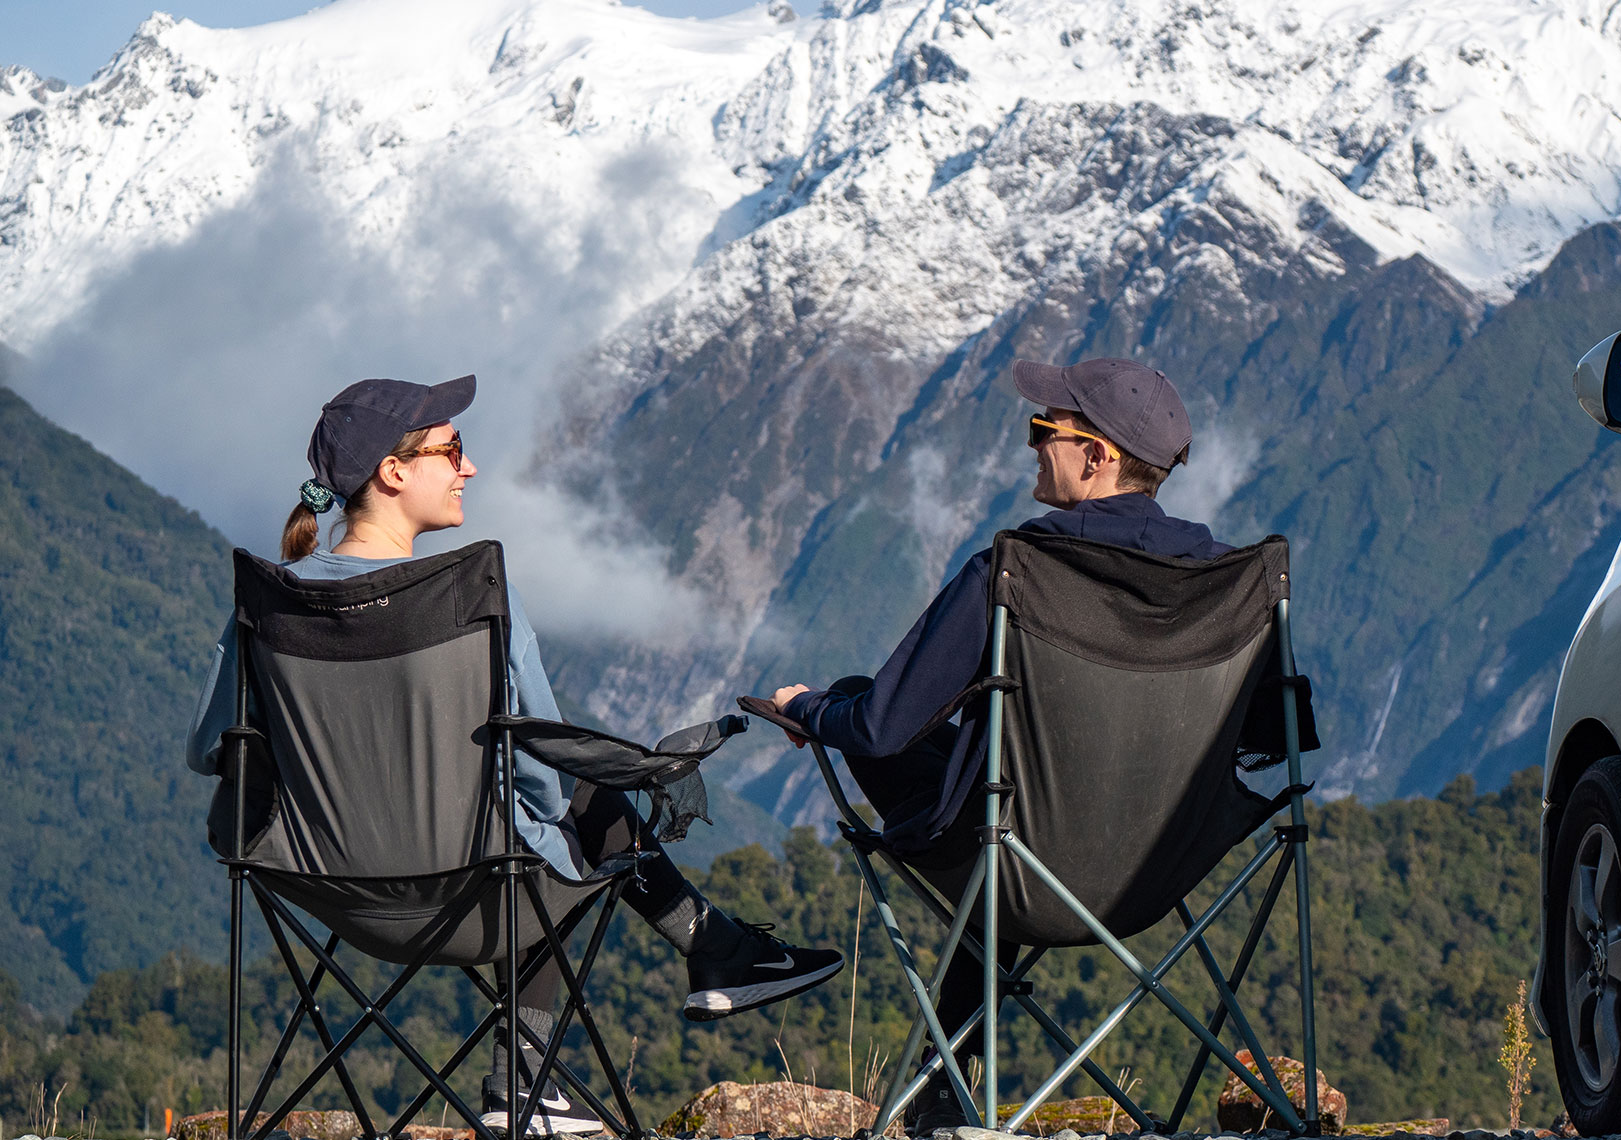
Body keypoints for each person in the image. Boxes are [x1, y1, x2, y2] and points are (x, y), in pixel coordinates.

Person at [186, 375, 842, 1136]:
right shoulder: (469, 590)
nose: (469, 467)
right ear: (393, 474)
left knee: (548, 829)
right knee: (583, 814)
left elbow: (211, 747)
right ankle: (555, 1060)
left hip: (331, 896)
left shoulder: (269, 601)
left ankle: (704, 967)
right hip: (479, 898)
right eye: (452, 449)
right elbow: (541, 767)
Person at [761, 356, 1225, 1134]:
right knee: (1001, 790)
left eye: (1045, 428)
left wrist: (810, 710)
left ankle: (949, 1074)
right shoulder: (1225, 580)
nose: (1031, 443)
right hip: (1159, 869)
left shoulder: (1015, 571)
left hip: (1020, 865)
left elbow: (881, 727)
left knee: (871, 712)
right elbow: (1273, 738)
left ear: (1097, 456)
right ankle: (948, 1074)